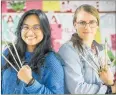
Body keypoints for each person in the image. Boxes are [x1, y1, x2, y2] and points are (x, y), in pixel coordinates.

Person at [2, 9, 64, 94]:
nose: (30, 33)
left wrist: (30, 82)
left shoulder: (52, 61)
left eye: (36, 27)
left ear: (45, 31)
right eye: (26, 27)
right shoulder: (9, 53)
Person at [58, 4, 116, 94]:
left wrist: (110, 82)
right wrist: (109, 89)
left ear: (97, 25)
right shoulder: (68, 50)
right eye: (82, 22)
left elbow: (109, 78)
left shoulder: (101, 49)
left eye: (92, 22)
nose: (87, 27)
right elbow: (77, 89)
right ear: (75, 24)